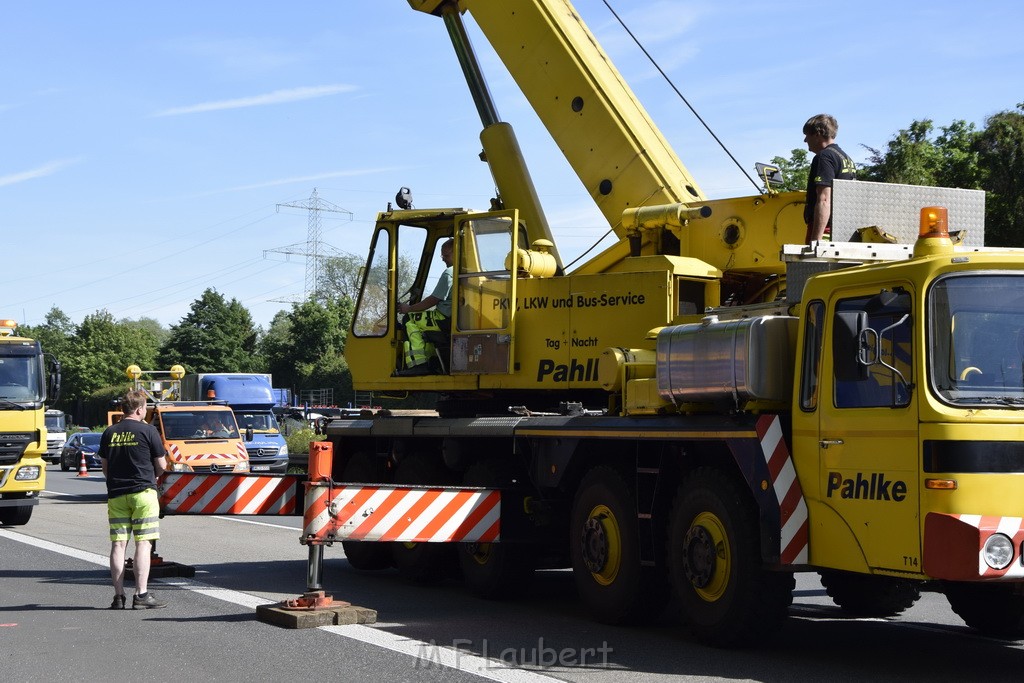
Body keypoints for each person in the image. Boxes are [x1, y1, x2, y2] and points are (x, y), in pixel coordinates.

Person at [99, 389, 168, 610]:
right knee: (143, 544)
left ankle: (118, 597)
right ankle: (141, 595)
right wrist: (153, 475)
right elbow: (162, 465)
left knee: (118, 545)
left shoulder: (110, 432)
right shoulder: (148, 431)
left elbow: (105, 467)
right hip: (143, 494)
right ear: (139, 409)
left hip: (117, 495)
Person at [396, 238, 454, 375]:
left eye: (446, 256)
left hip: (444, 317)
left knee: (410, 320)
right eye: (442, 256)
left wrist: (409, 309)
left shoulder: (450, 273)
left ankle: (419, 364)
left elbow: (433, 299)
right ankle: (433, 361)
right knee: (423, 324)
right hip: (454, 318)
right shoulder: (465, 271)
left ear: (456, 252)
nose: (443, 259)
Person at [803, 114, 857, 243]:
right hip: (842, 230)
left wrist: (816, 241)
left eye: (807, 135)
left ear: (818, 134)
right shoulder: (846, 158)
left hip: (825, 230)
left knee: (814, 263)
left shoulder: (824, 157)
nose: (805, 140)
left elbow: (824, 199)